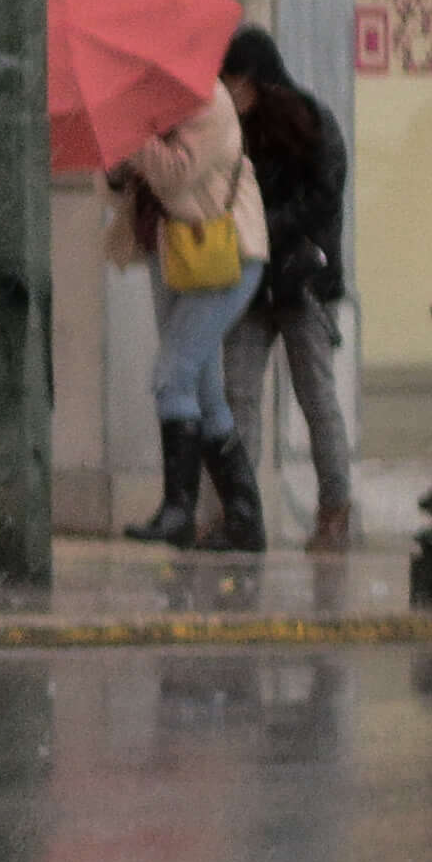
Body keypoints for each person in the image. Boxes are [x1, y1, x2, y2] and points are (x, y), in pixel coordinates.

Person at [216, 25, 358, 555]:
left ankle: (335, 511)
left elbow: (324, 199)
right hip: (250, 282)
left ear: (256, 77)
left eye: (234, 79)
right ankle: (240, 513)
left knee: (316, 398)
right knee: (238, 398)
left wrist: (263, 225)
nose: (228, 91)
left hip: (302, 282)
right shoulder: (231, 131)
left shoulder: (311, 122)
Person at [108, 73, 265, 550]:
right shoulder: (144, 105)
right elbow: (123, 183)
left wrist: (133, 137)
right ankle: (244, 520)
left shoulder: (209, 101)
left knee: (171, 376)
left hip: (226, 254)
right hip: (171, 252)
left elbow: (177, 173)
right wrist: (117, 163)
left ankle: (178, 512)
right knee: (204, 390)